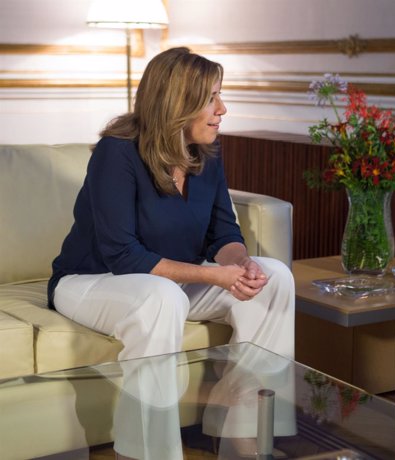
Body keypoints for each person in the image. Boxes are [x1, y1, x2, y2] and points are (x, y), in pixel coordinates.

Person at [48, 47, 295, 362]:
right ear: (177, 103)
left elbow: (221, 233)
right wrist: (215, 276)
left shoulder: (207, 153)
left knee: (275, 278)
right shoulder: (117, 153)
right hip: (93, 280)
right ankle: (152, 412)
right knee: (163, 298)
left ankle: (250, 403)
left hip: (169, 282)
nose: (222, 109)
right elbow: (123, 256)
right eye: (211, 98)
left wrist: (242, 264)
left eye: (219, 96)